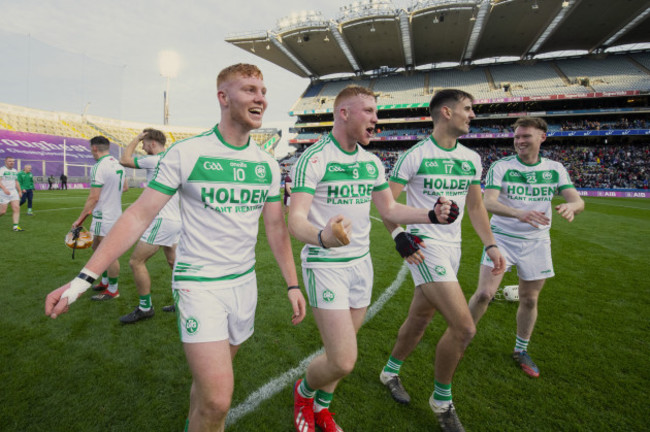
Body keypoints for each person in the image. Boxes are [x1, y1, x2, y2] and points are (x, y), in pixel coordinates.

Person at [45, 63, 307, 432]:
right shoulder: (188, 153)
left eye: (263, 91)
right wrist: (82, 280)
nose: (260, 98)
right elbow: (138, 215)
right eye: (249, 90)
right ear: (223, 97)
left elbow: (277, 229)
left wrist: (292, 284)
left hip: (244, 285)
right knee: (218, 400)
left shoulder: (267, 164)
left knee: (207, 392)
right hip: (198, 285)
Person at [288, 85, 455, 432]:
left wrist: (432, 215)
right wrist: (323, 237)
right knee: (344, 359)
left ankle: (322, 408)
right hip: (326, 265)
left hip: (361, 266)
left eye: (376, 113)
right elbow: (295, 220)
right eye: (369, 112)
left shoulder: (371, 162)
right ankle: (304, 394)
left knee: (342, 353)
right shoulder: (315, 158)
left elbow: (390, 208)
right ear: (344, 113)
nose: (376, 120)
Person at [378, 89, 505, 432]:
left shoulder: (472, 158)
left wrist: (490, 244)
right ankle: (442, 400)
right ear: (446, 113)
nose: (472, 114)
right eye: (468, 108)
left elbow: (476, 207)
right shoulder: (415, 155)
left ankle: (389, 372)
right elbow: (385, 204)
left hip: (454, 246)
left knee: (420, 318)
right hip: (424, 245)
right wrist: (398, 237)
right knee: (464, 327)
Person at [467, 117, 584, 378]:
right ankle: (462, 335)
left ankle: (521, 350)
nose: (519, 141)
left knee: (530, 298)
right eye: (517, 136)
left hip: (537, 241)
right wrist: (518, 213)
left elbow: (577, 200)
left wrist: (571, 206)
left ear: (542, 137)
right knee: (485, 293)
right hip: (502, 239)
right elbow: (488, 203)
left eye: (526, 136)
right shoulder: (501, 166)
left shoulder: (555, 168)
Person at [117, 128, 180, 323]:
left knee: (136, 262)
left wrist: (136, 138)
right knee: (175, 264)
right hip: (176, 220)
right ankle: (184, 303)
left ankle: (145, 308)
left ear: (152, 143)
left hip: (162, 220)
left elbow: (124, 160)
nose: (142, 148)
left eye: (145, 144)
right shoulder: (172, 160)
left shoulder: (154, 160)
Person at [73, 136, 125, 301]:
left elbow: (93, 198)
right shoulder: (118, 165)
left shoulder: (99, 167)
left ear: (94, 148)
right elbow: (125, 188)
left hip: (105, 216)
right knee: (96, 248)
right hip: (114, 213)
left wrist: (79, 219)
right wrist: (110, 194)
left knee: (108, 254)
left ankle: (113, 290)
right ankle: (104, 281)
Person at [0, 156, 25, 231]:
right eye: (10, 161)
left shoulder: (14, 170)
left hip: (13, 192)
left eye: (13, 161)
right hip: (3, 192)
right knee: (2, 211)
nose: (12, 163)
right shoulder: (2, 170)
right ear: (6, 162)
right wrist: (4, 189)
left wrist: (19, 191)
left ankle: (15, 226)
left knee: (16, 208)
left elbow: (16, 181)